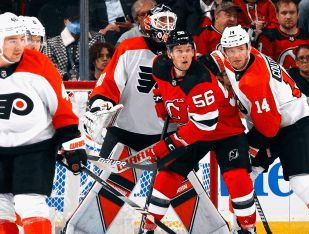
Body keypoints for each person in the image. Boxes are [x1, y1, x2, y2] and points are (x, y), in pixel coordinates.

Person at [62, 5, 180, 233]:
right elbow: (107, 85)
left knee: (179, 192)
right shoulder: (129, 47)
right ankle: (82, 230)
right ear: (148, 23)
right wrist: (100, 105)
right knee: (105, 194)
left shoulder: (181, 51)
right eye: (161, 20)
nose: (166, 26)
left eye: (169, 20)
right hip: (125, 134)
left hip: (168, 138)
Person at [221, 25, 309, 234]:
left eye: (240, 49)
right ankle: (242, 230)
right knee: (240, 176)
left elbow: (269, 127)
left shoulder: (256, 79)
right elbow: (217, 58)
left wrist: (248, 147)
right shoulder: (231, 59)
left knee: (303, 183)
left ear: (248, 47)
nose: (235, 55)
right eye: (230, 50)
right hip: (268, 123)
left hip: (294, 125)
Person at [142, 29, 256, 234]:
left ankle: (249, 229)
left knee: (237, 178)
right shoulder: (159, 66)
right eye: (179, 50)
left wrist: (168, 144)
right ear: (169, 53)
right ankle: (148, 227)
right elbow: (159, 85)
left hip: (224, 129)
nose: (185, 55)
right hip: (192, 128)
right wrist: (160, 99)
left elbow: (204, 125)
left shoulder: (199, 78)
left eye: (188, 50)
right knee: (168, 173)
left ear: (194, 52)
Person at [0, 12, 87, 234]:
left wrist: (70, 140)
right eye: (12, 40)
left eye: (22, 39)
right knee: (1, 210)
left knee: (31, 206)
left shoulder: (38, 63)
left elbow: (61, 107)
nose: (20, 45)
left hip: (35, 147)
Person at [43, 9, 105, 81]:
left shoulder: (97, 38)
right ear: (65, 21)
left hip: (91, 82)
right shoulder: (52, 43)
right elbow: (48, 66)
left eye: (80, 20)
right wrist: (65, 76)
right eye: (73, 20)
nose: (76, 23)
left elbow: (104, 61)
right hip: (62, 84)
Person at [257, 0, 309, 70]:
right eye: (284, 13)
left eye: (292, 13)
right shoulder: (267, 38)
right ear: (277, 15)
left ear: (298, 15)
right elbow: (266, 69)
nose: (288, 17)